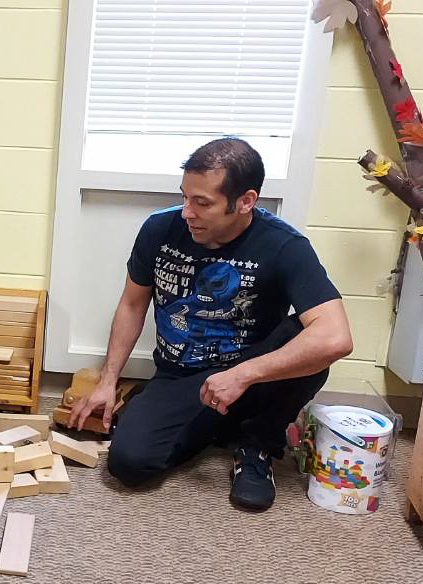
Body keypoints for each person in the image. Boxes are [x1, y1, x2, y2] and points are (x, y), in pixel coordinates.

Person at [69, 137, 353, 512]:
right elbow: (132, 304)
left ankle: (257, 443)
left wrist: (243, 375)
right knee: (129, 463)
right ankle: (219, 425)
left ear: (245, 201)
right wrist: (108, 381)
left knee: (311, 336)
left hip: (251, 374)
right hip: (180, 377)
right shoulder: (159, 229)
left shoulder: (284, 245)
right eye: (185, 197)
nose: (187, 212)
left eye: (202, 203)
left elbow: (337, 337)